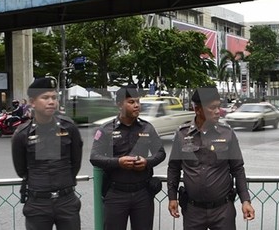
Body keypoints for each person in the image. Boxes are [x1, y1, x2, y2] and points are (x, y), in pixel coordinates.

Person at [167, 86, 255, 230]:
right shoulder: (182, 134)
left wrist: (245, 200)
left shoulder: (227, 133)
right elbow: (174, 168)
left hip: (223, 211)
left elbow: (237, 169)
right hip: (193, 211)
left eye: (218, 107)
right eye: (212, 108)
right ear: (197, 109)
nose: (217, 112)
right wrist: (172, 197)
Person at [11, 76, 83, 230]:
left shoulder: (69, 128)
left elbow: (75, 162)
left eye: (54, 97)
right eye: (45, 98)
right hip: (38, 204)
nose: (51, 102)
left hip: (67, 201)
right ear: (32, 102)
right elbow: (21, 169)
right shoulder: (22, 134)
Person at [90, 86, 166, 230]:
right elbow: (94, 157)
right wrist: (118, 162)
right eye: (131, 102)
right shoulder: (106, 129)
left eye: (138, 101)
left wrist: (147, 162)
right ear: (119, 104)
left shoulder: (147, 128)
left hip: (143, 193)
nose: (137, 105)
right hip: (116, 194)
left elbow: (160, 153)